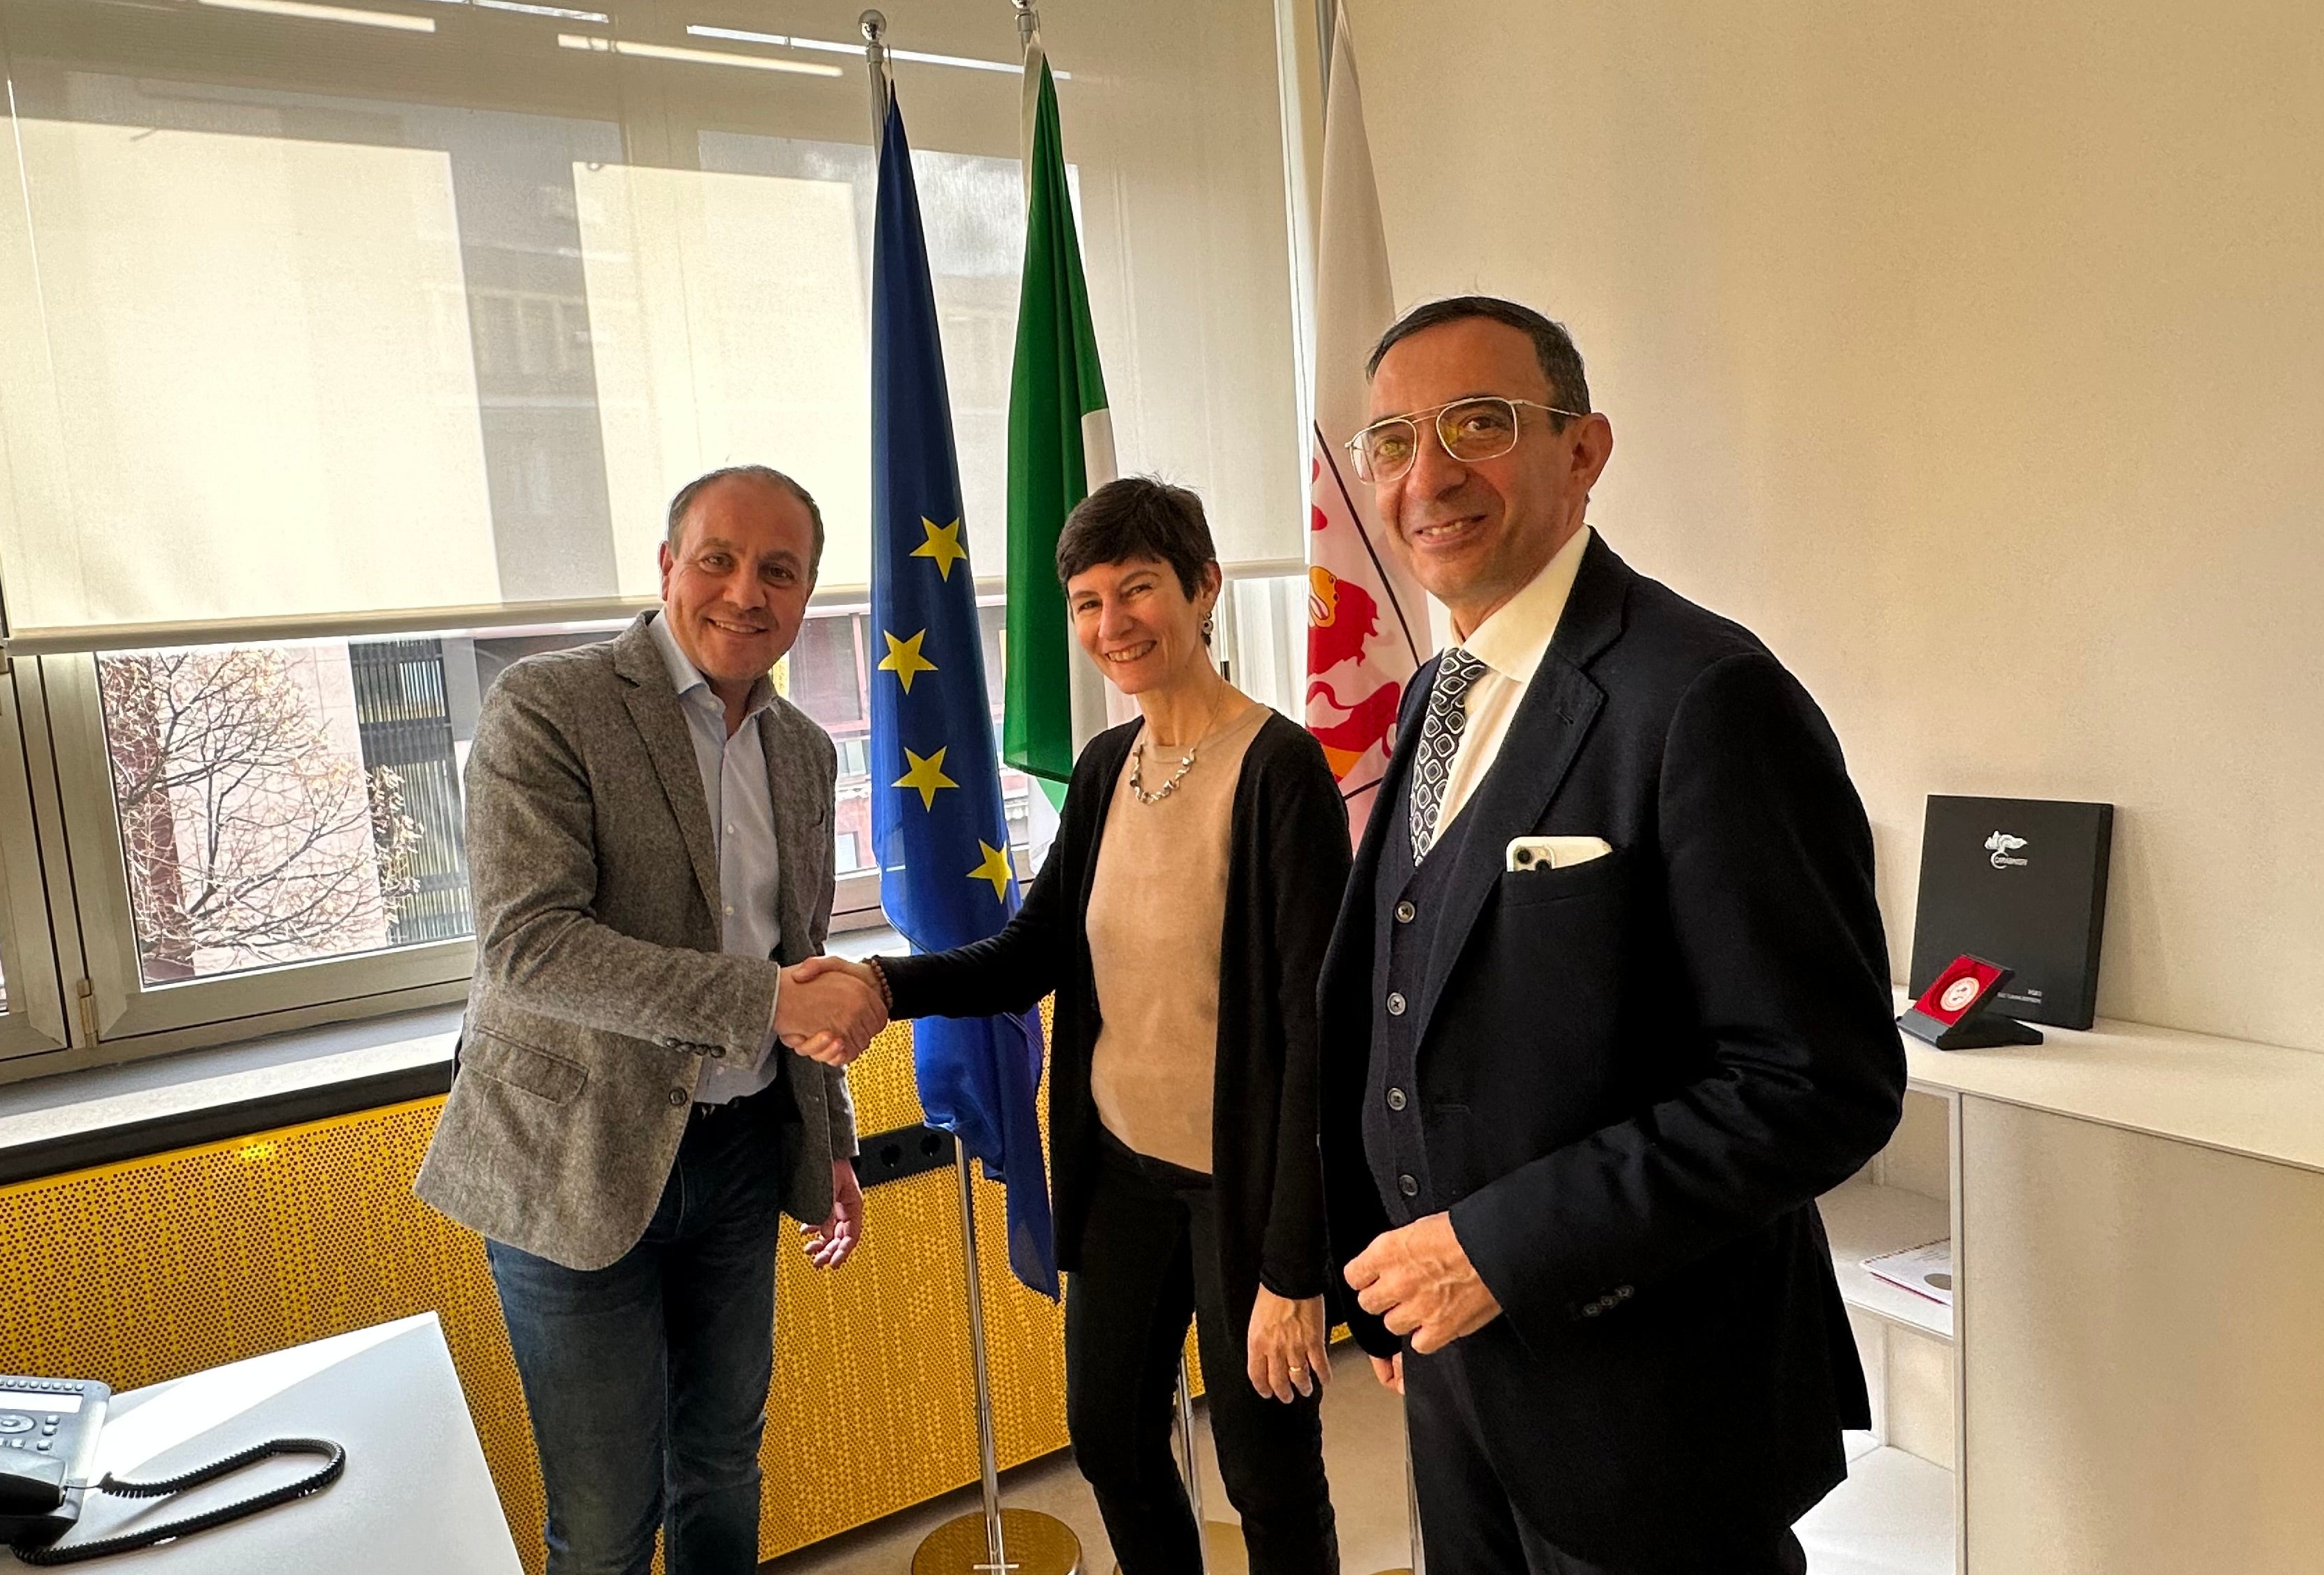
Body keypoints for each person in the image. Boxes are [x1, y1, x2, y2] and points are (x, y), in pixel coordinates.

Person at [1319, 297, 1908, 1574]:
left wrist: (1496, 1248)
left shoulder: (1706, 697)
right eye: (1392, 441)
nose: (1429, 476)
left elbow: (1817, 1085)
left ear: (1583, 452)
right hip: (1461, 1374)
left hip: (1654, 1405)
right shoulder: (1438, 686)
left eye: (1480, 424)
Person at [798, 478, 1353, 1575]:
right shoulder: (1107, 769)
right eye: (1087, 602)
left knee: (1265, 1469)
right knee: (1110, 1440)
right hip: (1118, 1176)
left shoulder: (1280, 771)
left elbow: (1314, 1041)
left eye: (1138, 590)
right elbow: (1035, 954)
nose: (1112, 625)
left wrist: (1297, 1271)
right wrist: (879, 986)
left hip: (1240, 1193)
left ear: (1203, 589)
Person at [413, 464, 890, 1575]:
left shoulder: (806, 754)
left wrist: (830, 1143)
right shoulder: (550, 706)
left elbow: (797, 957)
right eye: (717, 558)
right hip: (571, 1162)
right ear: (666, 565)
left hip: (735, 1159)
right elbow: (532, 946)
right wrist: (769, 1001)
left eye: (780, 570)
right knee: (607, 1518)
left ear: (807, 594)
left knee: (723, 1468)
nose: (745, 592)